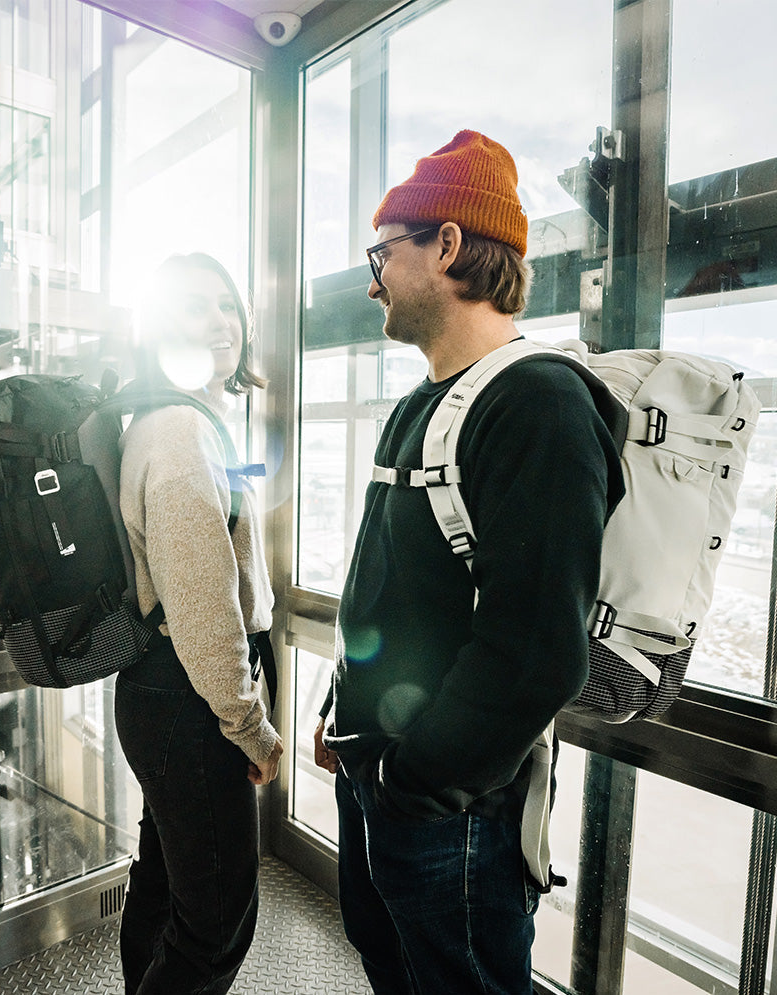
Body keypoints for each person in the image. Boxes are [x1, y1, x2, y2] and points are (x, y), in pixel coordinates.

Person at [313, 130, 625, 994]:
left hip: (454, 816)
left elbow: (535, 654)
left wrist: (417, 785)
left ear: (447, 243)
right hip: (381, 773)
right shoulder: (422, 403)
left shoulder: (539, 403)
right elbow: (392, 584)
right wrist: (341, 704)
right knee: (394, 969)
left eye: (384, 250)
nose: (372, 276)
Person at [115, 252, 283, 995]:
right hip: (190, 699)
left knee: (164, 885)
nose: (220, 322)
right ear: (158, 329)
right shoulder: (182, 432)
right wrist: (250, 725)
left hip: (167, 694)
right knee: (216, 919)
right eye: (194, 308)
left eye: (227, 305)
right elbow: (204, 610)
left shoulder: (180, 421)